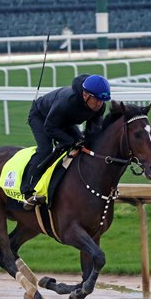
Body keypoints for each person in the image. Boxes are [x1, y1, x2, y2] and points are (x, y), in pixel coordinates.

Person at [21, 74, 111, 210]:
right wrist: (72, 141)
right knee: (45, 149)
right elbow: (49, 127)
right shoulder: (67, 102)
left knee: (81, 144)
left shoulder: (100, 107)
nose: (100, 104)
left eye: (103, 100)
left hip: (64, 121)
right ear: (86, 95)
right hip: (41, 117)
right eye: (97, 99)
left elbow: (93, 133)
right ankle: (27, 189)